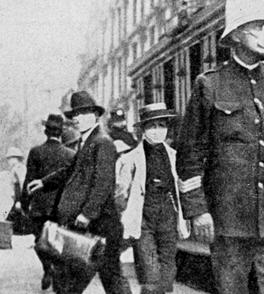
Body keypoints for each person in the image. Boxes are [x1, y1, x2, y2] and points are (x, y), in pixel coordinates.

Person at [175, 0, 264, 294]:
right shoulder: (209, 86)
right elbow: (189, 157)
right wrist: (198, 210)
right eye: (258, 27)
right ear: (236, 35)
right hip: (227, 217)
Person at [27, 91, 132, 294]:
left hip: (101, 225)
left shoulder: (102, 142)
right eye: (75, 115)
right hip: (94, 226)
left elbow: (102, 184)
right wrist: (43, 182)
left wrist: (86, 214)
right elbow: (69, 170)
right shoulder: (88, 142)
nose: (77, 119)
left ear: (95, 115)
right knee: (100, 279)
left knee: (100, 280)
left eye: (83, 113)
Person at [115, 102, 190, 294]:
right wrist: (129, 215)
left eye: (162, 126)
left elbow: (182, 186)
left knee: (168, 269)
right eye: (152, 127)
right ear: (143, 130)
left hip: (168, 216)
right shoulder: (129, 159)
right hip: (143, 218)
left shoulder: (174, 156)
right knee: (150, 272)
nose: (157, 132)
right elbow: (120, 193)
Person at [21, 114, 76, 290]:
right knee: (57, 242)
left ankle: (47, 268)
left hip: (39, 206)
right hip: (61, 207)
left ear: (46, 132)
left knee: (40, 242)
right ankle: (56, 269)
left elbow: (29, 181)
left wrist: (24, 202)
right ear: (61, 133)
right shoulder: (70, 154)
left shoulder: (35, 152)